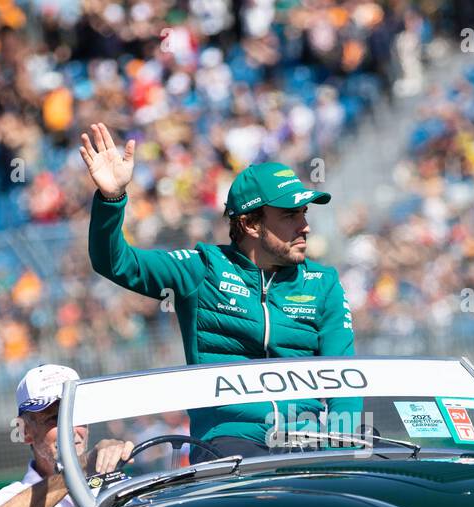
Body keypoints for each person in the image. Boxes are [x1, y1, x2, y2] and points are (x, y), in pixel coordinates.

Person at [78, 122, 359, 461]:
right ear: (251, 224)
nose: (305, 226)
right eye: (289, 216)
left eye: (304, 213)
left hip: (308, 439)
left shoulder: (323, 282)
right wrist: (111, 199)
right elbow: (115, 262)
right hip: (229, 443)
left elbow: (344, 379)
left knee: (394, 458)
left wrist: (347, 445)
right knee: (246, 474)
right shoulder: (202, 268)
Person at [0, 364, 133, 507]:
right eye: (54, 419)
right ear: (24, 430)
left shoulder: (114, 480)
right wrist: (80, 466)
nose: (70, 429)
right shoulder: (9, 496)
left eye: (75, 414)